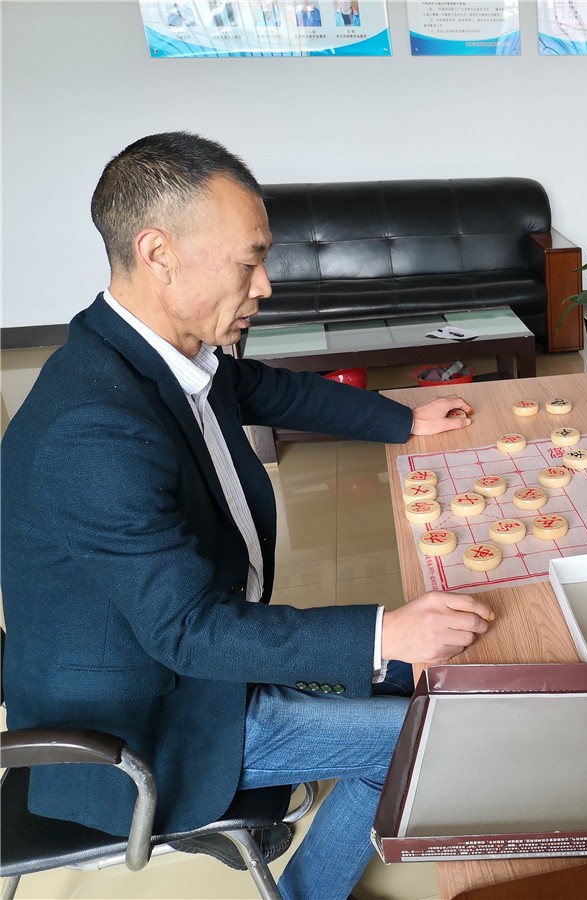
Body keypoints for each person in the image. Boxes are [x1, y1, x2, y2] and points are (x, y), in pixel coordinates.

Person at [0, 132, 495, 900]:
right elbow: (189, 633)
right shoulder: (93, 429)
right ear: (158, 253)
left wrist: (404, 419)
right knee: (422, 730)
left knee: (425, 673)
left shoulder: (159, 352)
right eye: (248, 262)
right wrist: (384, 633)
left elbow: (267, 389)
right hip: (152, 717)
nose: (264, 285)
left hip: (199, 660)